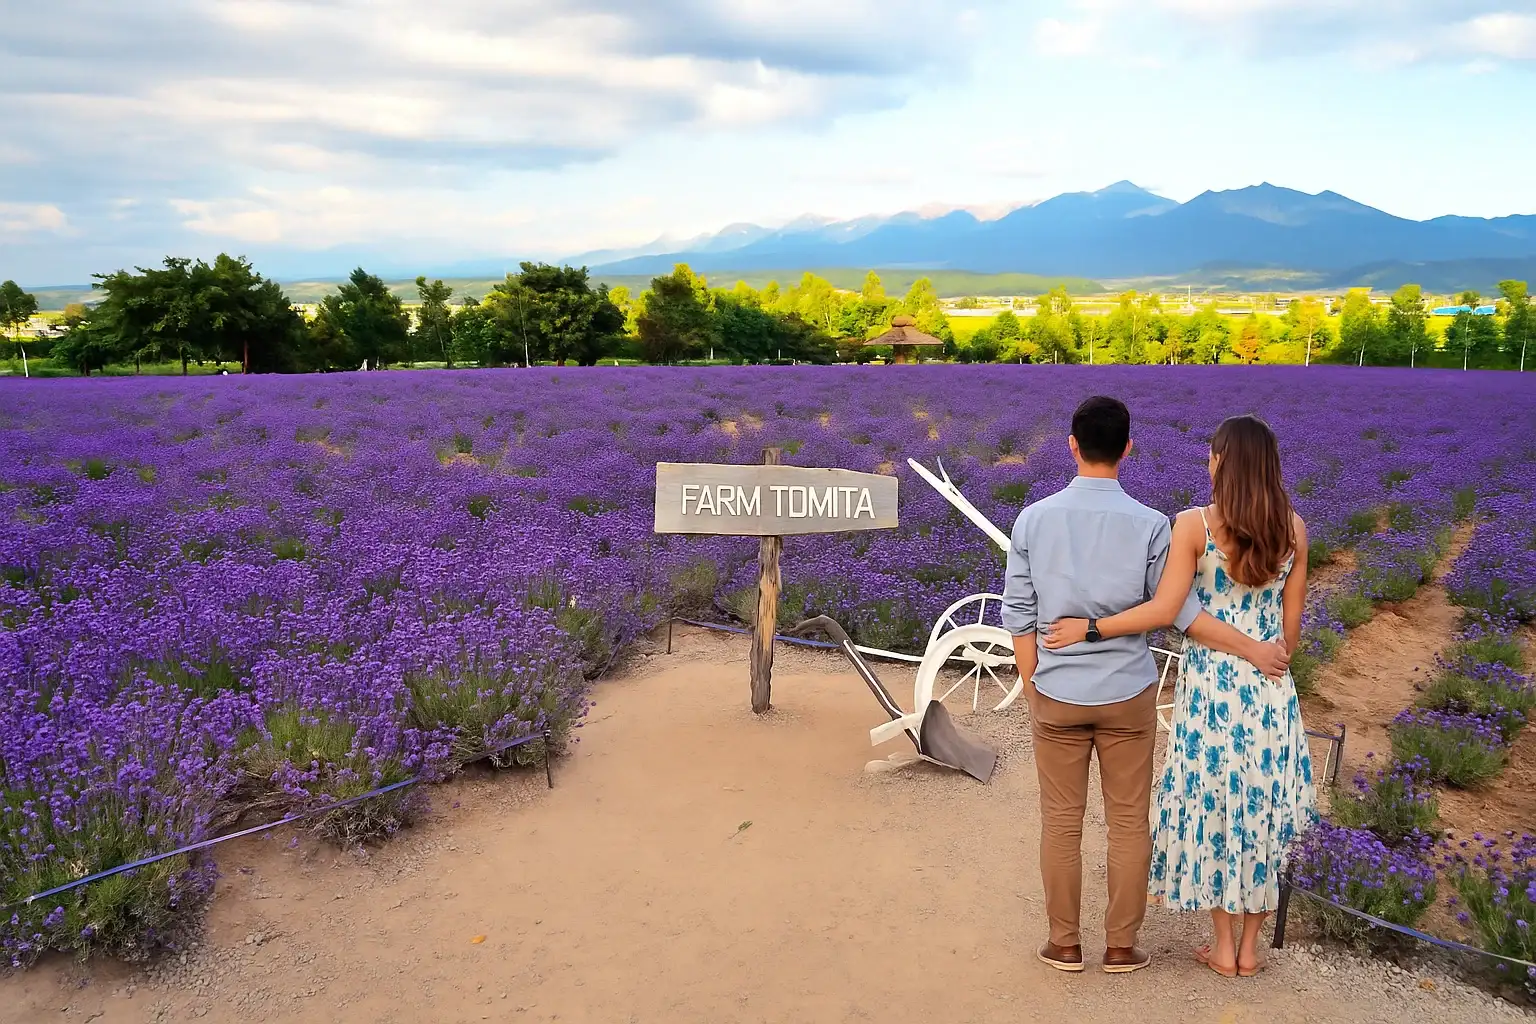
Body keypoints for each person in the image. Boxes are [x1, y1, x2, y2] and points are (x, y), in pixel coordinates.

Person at [1002, 397, 1290, 977]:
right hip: (1128, 693)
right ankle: (1120, 947)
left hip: (1058, 690)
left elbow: (1019, 613)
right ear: (1129, 449)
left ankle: (1063, 944)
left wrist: (1034, 687)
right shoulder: (1154, 524)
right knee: (1129, 820)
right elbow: (1173, 610)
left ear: (1072, 445)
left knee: (1060, 821)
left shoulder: (1033, 519)